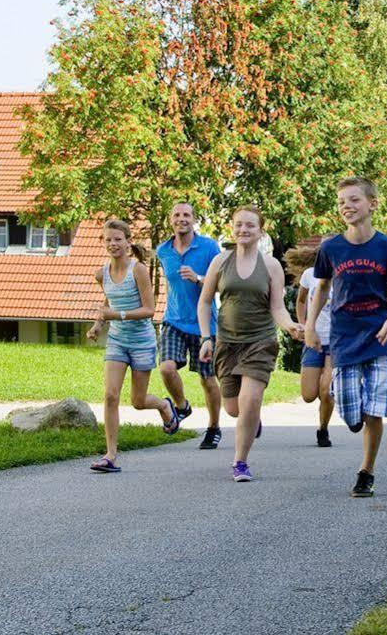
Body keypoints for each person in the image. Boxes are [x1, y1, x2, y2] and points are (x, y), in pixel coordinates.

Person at [305, 177, 387, 499]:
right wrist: (309, 325)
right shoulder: (331, 248)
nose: (346, 206)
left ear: (372, 204)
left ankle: (366, 471)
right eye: (341, 202)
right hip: (345, 337)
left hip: (380, 336)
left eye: (354, 200)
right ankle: (355, 418)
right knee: (352, 415)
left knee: (375, 409)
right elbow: (320, 287)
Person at [197, 206, 302, 482]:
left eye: (250, 226)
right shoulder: (220, 262)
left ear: (260, 231)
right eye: (239, 224)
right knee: (233, 409)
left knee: (250, 399)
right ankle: (251, 419)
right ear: (233, 228)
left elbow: (277, 308)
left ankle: (240, 462)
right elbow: (205, 301)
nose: (243, 229)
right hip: (227, 344)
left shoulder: (271, 266)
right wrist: (206, 338)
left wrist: (290, 325)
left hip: (260, 342)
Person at [87, 218, 183, 473]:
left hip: (141, 342)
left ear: (128, 242)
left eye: (118, 239)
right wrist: (98, 325)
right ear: (103, 243)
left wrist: (116, 315)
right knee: (110, 395)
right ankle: (110, 455)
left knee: (138, 401)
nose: (113, 244)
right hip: (117, 341)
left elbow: (149, 309)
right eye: (108, 240)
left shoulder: (138, 270)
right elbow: (108, 301)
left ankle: (164, 405)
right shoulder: (102, 273)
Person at [155, 201, 226, 451]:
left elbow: (221, 283)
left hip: (204, 324)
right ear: (170, 220)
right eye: (176, 214)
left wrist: (198, 278)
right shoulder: (162, 250)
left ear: (194, 219)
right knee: (165, 369)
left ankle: (214, 428)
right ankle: (182, 406)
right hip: (174, 320)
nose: (181, 218)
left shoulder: (208, 247)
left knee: (208, 380)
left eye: (186, 214)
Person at [286, 241, 338, 448]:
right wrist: (303, 324)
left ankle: (323, 429)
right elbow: (301, 301)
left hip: (337, 340)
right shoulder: (310, 274)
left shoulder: (345, 275)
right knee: (308, 395)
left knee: (326, 390)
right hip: (313, 338)